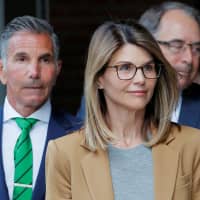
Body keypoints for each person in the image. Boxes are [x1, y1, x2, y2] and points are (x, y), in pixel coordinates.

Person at [46, 20, 200, 200]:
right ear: (99, 78)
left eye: (148, 67)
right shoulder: (64, 152)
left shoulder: (193, 144)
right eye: (126, 68)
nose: (141, 79)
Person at [0, 16, 81, 200]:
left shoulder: (81, 136)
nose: (34, 72)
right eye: (22, 59)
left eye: (44, 60)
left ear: (57, 69)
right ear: (2, 70)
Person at [139, 1, 200, 128]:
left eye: (197, 49)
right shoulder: (107, 100)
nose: (189, 59)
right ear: (146, 45)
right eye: (177, 46)